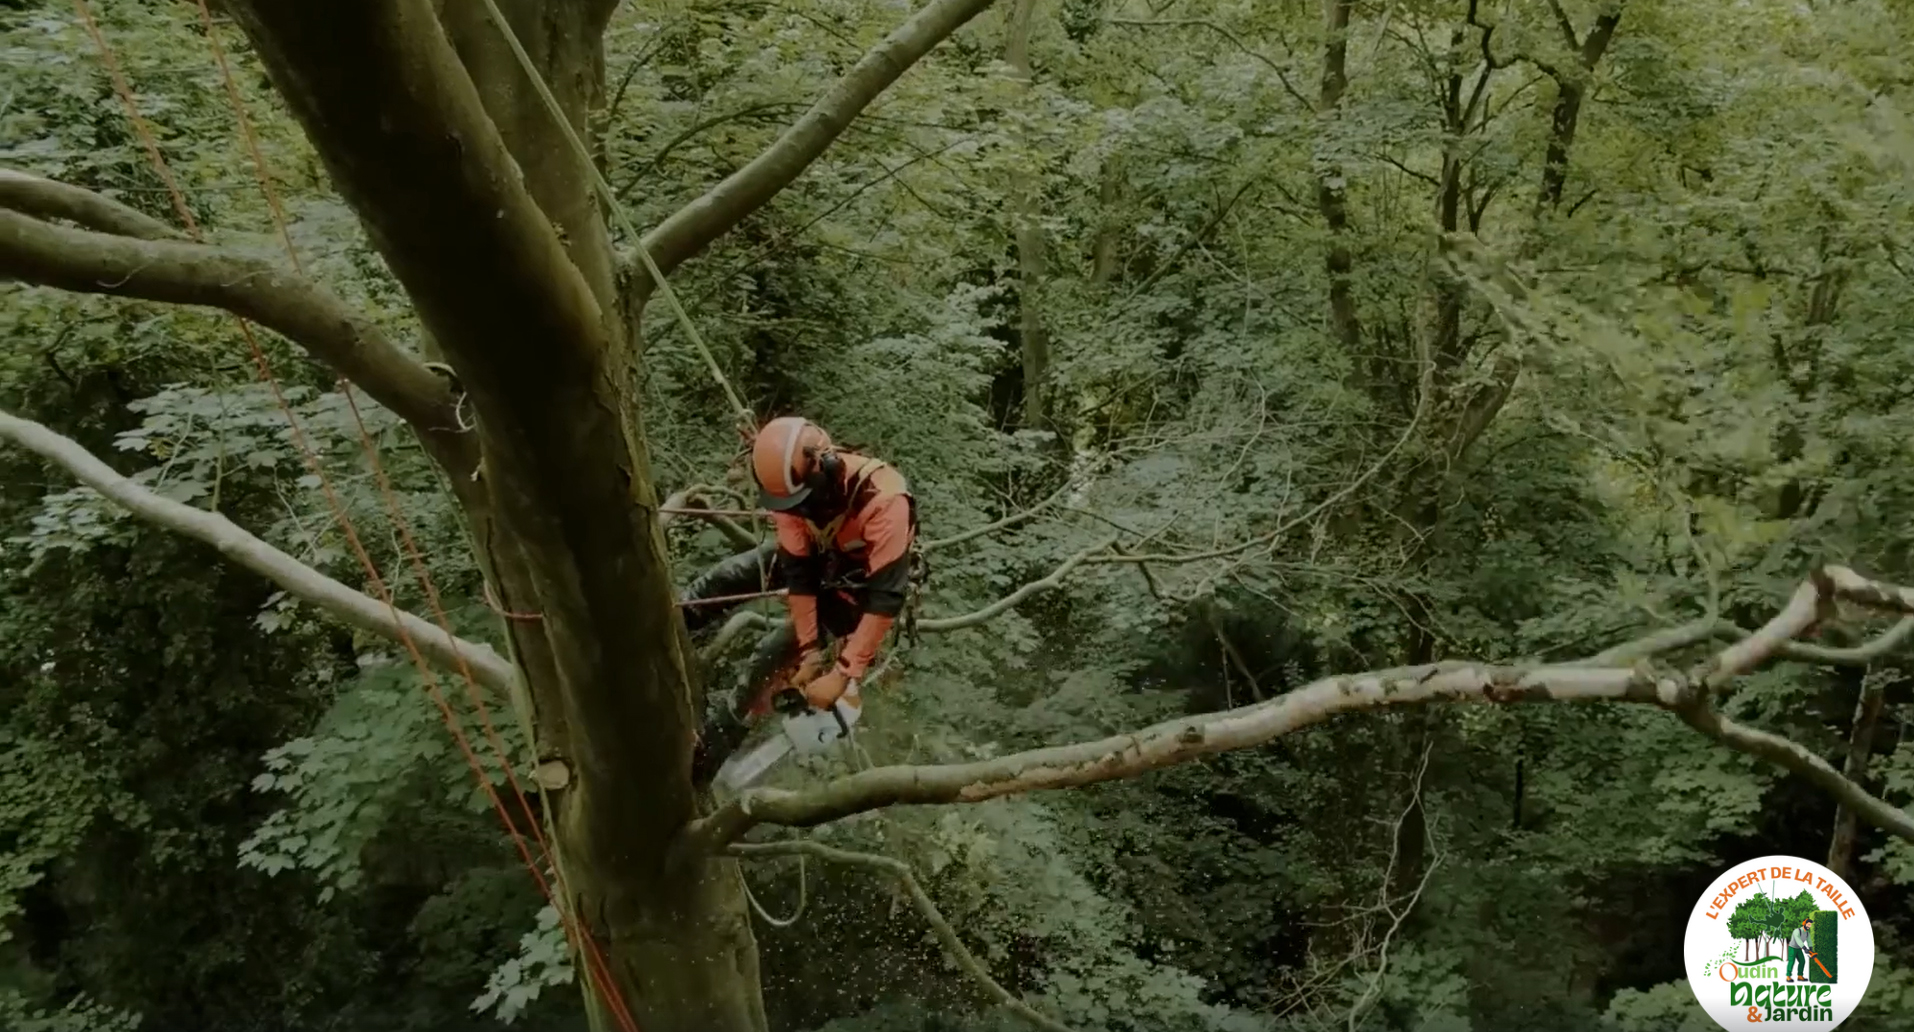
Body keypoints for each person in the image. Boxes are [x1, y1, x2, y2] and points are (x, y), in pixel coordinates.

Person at [687, 416, 917, 784]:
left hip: (857, 589)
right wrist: (810, 651)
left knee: (771, 651)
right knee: (725, 578)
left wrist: (843, 673)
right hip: (819, 557)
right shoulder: (788, 497)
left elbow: (886, 598)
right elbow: (799, 575)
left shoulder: (884, 500)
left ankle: (710, 753)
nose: (794, 510)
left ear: (823, 467)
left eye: (799, 501)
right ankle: (676, 626)